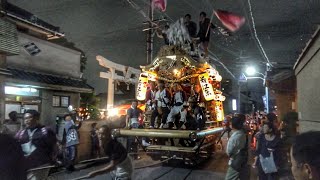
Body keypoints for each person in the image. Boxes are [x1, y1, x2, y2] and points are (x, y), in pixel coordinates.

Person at [15, 109, 57, 179]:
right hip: (26, 165)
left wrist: (53, 159)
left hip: (41, 164)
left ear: (36, 118)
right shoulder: (21, 133)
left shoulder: (46, 131)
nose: (27, 120)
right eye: (25, 118)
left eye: (29, 117)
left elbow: (53, 146)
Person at [225, 114, 248, 180]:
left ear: (233, 125)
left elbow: (228, 151)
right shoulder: (243, 134)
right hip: (242, 159)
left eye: (230, 124)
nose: (229, 125)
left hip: (235, 161)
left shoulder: (234, 137)